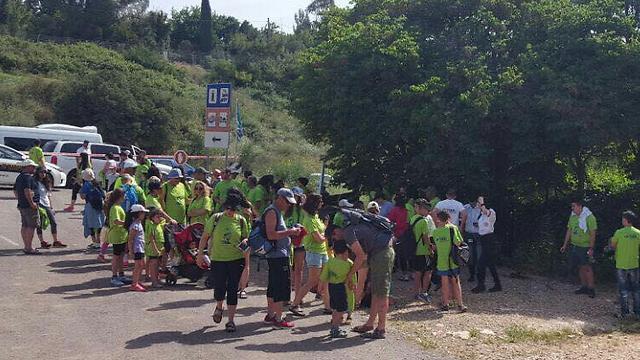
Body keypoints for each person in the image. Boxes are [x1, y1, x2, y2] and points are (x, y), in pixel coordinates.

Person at [330, 209, 395, 339]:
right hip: (379, 253)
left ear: (338, 229)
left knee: (381, 292)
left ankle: (381, 329)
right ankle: (370, 324)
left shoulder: (348, 232)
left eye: (334, 235)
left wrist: (349, 274)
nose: (335, 238)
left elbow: (360, 256)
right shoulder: (355, 228)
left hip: (382, 254)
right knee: (376, 291)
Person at [196, 193, 250, 333]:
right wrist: (200, 254)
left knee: (232, 289)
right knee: (219, 288)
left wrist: (246, 246)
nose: (231, 211)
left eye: (234, 209)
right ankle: (219, 306)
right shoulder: (216, 218)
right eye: (229, 208)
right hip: (218, 259)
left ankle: (231, 321)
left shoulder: (241, 221)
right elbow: (205, 237)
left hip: (236, 259)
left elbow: (247, 240)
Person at [263, 188, 301, 329]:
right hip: (277, 255)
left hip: (278, 254)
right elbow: (271, 234)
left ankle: (271, 314)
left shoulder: (276, 212)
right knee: (280, 286)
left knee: (273, 286)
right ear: (279, 198)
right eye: (287, 201)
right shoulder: (272, 212)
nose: (288, 205)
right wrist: (290, 232)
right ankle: (278, 319)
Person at [290, 194, 331, 316]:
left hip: (323, 252)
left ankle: (328, 306)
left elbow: (321, 229)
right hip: (314, 252)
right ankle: (295, 304)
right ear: (315, 204)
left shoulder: (316, 216)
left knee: (326, 279)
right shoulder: (309, 219)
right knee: (313, 281)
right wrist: (327, 237)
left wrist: (326, 224)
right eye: (320, 202)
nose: (322, 203)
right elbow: (318, 238)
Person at [560, 199, 598, 298]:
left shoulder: (589, 217)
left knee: (587, 267)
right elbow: (569, 230)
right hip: (575, 245)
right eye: (572, 206)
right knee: (580, 267)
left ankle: (591, 288)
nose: (572, 208)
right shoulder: (572, 216)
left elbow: (593, 233)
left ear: (580, 206)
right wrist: (565, 244)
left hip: (585, 246)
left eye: (574, 206)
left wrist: (591, 248)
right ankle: (584, 286)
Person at [432, 211, 467, 313]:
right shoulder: (453, 229)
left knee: (444, 282)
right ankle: (460, 304)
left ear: (438, 219)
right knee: (456, 282)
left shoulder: (435, 232)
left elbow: (435, 247)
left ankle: (445, 303)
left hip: (442, 260)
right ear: (448, 218)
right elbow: (459, 242)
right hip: (453, 259)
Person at [320, 241, 355, 338]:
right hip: (341, 288)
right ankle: (335, 328)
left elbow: (323, 277)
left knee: (335, 309)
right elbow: (352, 277)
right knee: (341, 309)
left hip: (332, 287)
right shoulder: (349, 263)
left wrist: (321, 288)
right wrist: (353, 285)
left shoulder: (329, 262)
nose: (346, 255)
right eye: (346, 253)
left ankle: (334, 327)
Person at [608, 211, 640, 318]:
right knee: (636, 289)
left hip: (621, 264)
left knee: (623, 289)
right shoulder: (638, 233)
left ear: (626, 220)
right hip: (634, 264)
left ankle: (625, 313)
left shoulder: (619, 232)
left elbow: (612, 246)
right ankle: (637, 312)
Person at [471, 197, 501, 293]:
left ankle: (481, 285)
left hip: (490, 240)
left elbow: (486, 212)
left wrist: (482, 203)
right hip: (484, 239)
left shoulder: (491, 212)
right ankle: (497, 284)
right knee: (490, 264)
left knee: (481, 264)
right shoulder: (481, 214)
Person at [34, 166, 66, 249]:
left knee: (53, 222)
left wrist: (51, 207)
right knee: (39, 224)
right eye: (41, 172)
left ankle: (55, 241)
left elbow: (48, 196)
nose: (43, 174)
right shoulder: (34, 182)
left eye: (44, 172)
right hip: (39, 204)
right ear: (37, 173)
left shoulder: (46, 182)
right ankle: (42, 241)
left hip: (46, 204)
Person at [14, 159, 41, 255]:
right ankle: (28, 247)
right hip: (29, 206)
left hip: (22, 205)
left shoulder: (20, 177)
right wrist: (32, 203)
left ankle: (26, 246)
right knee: (31, 226)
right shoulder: (28, 178)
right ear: (28, 167)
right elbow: (27, 191)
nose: (34, 168)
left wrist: (20, 200)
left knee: (25, 225)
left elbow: (16, 191)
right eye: (32, 166)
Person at [104, 189, 130, 287]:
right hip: (116, 235)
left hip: (121, 235)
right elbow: (116, 221)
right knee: (116, 256)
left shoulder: (118, 207)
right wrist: (126, 223)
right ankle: (114, 277)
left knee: (121, 256)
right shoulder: (115, 208)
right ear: (120, 197)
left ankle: (121, 274)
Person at [411, 199, 436, 303]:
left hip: (414, 249)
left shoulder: (413, 218)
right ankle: (424, 292)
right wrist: (430, 249)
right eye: (426, 209)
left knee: (417, 273)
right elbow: (426, 238)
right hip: (423, 250)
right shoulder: (424, 221)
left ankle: (416, 293)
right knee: (428, 272)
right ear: (422, 209)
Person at [287, 187, 307, 299]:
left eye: (297, 196)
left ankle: (297, 297)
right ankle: (286, 296)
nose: (295, 198)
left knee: (299, 270)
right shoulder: (286, 209)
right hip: (287, 242)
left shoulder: (303, 210)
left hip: (300, 242)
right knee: (288, 269)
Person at [126, 204, 149, 292]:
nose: (144, 215)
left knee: (141, 265)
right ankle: (134, 283)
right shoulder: (135, 225)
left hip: (141, 248)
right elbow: (130, 239)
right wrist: (131, 251)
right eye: (142, 213)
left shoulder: (138, 224)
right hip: (137, 249)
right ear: (137, 214)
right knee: (138, 266)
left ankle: (137, 281)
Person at [388, 195, 410, 281]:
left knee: (394, 253)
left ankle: (393, 271)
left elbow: (390, 222)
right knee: (403, 255)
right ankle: (405, 273)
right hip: (404, 234)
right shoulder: (405, 211)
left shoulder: (394, 210)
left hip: (395, 234)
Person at [145, 208, 165, 288]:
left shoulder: (159, 225)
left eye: (160, 217)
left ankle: (157, 279)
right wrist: (155, 249)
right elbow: (151, 238)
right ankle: (154, 282)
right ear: (152, 218)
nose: (159, 218)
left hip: (160, 248)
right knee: (153, 265)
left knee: (157, 265)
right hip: (153, 249)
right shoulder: (151, 226)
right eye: (157, 217)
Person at [463, 198, 481, 282]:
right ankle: (472, 274)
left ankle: (479, 274)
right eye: (470, 202)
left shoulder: (482, 209)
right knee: (470, 254)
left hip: (479, 234)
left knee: (478, 254)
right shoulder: (465, 207)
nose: (472, 204)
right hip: (468, 234)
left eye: (473, 202)